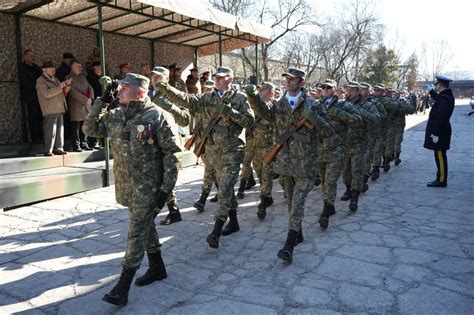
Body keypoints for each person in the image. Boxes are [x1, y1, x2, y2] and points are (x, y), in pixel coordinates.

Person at [83, 73, 182, 306]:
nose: (120, 91)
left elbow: (173, 155)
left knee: (136, 231)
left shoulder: (157, 116)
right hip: (128, 187)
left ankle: (123, 285)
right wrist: (102, 101)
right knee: (145, 227)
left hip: (150, 188)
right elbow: (90, 128)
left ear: (140, 91)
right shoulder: (116, 115)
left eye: (124, 88)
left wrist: (166, 190)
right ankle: (157, 267)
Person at [158, 66, 254, 249]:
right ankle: (233, 222)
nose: (217, 80)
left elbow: (249, 122)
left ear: (230, 80)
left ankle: (216, 231)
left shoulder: (240, 99)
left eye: (221, 78)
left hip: (232, 151)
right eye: (216, 77)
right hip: (212, 152)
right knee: (225, 189)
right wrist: (165, 88)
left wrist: (231, 113)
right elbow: (186, 100)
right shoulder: (207, 98)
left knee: (224, 189)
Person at [246, 68, 335, 264]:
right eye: (286, 78)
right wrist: (253, 96)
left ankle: (289, 244)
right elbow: (262, 112)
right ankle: (298, 232)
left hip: (305, 165)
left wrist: (315, 119)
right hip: (285, 164)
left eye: (292, 79)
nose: (288, 81)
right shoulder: (279, 105)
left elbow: (329, 132)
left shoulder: (313, 105)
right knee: (290, 201)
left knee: (297, 204)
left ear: (302, 83)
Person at [317, 79, 361, 228]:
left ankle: (326, 209)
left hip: (337, 150)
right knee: (324, 181)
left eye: (329, 88)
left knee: (330, 181)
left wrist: (340, 114)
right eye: (323, 87)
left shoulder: (344, 105)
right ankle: (330, 205)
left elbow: (357, 121)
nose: (326, 90)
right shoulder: (316, 106)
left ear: (335, 90)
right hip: (320, 151)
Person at [149, 66, 191, 225]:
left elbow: (185, 119)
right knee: (160, 178)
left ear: (166, 79)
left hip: (168, 143)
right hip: (151, 143)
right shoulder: (147, 94)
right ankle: (173, 211)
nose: (155, 80)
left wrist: (168, 105)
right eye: (153, 77)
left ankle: (167, 211)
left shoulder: (173, 94)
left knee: (166, 177)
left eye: (159, 77)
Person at [242, 82, 276, 219]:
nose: (260, 92)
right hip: (255, 146)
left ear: (271, 93)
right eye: (259, 90)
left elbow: (263, 108)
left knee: (267, 175)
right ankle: (267, 196)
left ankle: (263, 203)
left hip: (269, 147)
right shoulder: (254, 106)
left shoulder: (274, 105)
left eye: (263, 90)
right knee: (260, 174)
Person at [424, 76, 454, 187]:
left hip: (440, 132)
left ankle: (441, 180)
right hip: (442, 131)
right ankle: (440, 178)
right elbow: (439, 99)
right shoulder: (445, 96)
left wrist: (435, 133)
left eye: (436, 85)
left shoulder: (445, 98)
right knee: (439, 155)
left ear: (440, 85)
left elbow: (441, 117)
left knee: (440, 156)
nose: (435, 86)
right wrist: (431, 92)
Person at [36, 61, 71, 156]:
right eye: (51, 69)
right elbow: (46, 94)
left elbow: (64, 92)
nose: (53, 71)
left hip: (59, 107)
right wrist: (60, 87)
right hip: (50, 109)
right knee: (50, 131)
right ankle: (48, 150)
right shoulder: (40, 80)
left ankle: (59, 148)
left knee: (60, 130)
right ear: (44, 70)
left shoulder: (55, 79)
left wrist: (67, 85)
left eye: (54, 69)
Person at [67, 60, 94, 152]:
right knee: (76, 126)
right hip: (76, 105)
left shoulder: (83, 77)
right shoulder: (69, 77)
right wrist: (85, 100)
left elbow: (90, 88)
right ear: (72, 67)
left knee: (84, 125)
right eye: (78, 67)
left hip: (86, 105)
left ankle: (84, 143)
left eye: (81, 67)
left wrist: (90, 98)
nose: (80, 68)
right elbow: (72, 92)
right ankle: (76, 145)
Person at [19, 49, 43, 142]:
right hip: (30, 97)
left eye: (33, 56)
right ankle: (35, 138)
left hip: (39, 97)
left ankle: (41, 137)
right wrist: (37, 85)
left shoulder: (36, 68)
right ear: (25, 57)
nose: (33, 58)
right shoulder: (23, 68)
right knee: (33, 118)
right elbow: (26, 83)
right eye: (31, 56)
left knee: (40, 117)